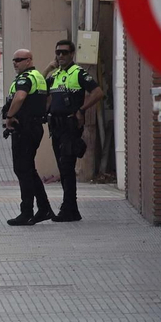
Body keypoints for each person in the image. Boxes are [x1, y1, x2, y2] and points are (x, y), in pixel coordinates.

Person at [45, 39, 103, 222]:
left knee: (67, 168)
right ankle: (70, 207)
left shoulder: (78, 73)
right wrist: (48, 68)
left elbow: (98, 92)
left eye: (64, 52)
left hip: (69, 126)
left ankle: (69, 208)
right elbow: (39, 88)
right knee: (63, 169)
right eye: (58, 53)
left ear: (72, 54)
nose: (60, 56)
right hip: (56, 126)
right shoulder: (55, 75)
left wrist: (82, 109)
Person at [2, 47, 54, 226]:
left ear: (29, 60)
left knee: (23, 170)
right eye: (14, 60)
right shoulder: (38, 77)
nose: (15, 63)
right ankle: (44, 208)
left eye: (19, 60)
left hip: (24, 129)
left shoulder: (25, 78)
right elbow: (47, 99)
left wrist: (9, 117)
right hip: (34, 127)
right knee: (28, 170)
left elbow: (19, 97)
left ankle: (27, 212)